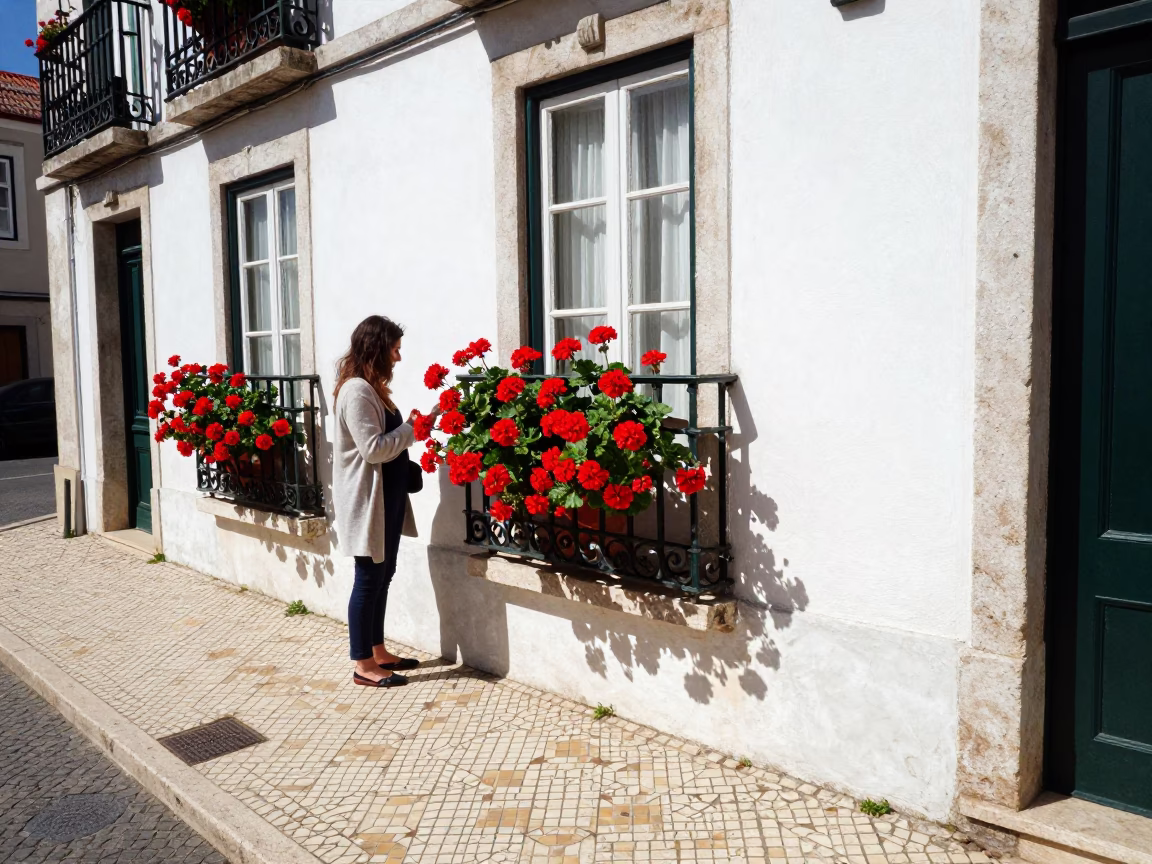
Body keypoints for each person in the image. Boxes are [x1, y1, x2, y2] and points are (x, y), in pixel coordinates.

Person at [332, 316, 437, 687]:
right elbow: (373, 450)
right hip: (367, 502)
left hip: (387, 499)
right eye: (394, 349)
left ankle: (377, 650)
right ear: (377, 349)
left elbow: (386, 436)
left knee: (383, 575)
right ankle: (363, 664)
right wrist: (409, 430)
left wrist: (412, 423)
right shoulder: (357, 391)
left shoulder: (372, 389)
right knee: (368, 579)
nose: (398, 357)